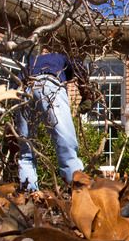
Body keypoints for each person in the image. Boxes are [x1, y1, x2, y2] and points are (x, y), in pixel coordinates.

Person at [14, 52, 93, 192]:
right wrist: (87, 95)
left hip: (20, 90)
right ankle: (80, 194)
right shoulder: (62, 58)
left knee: (26, 152)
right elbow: (80, 69)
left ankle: (28, 196)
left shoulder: (31, 62)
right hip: (48, 84)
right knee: (66, 147)